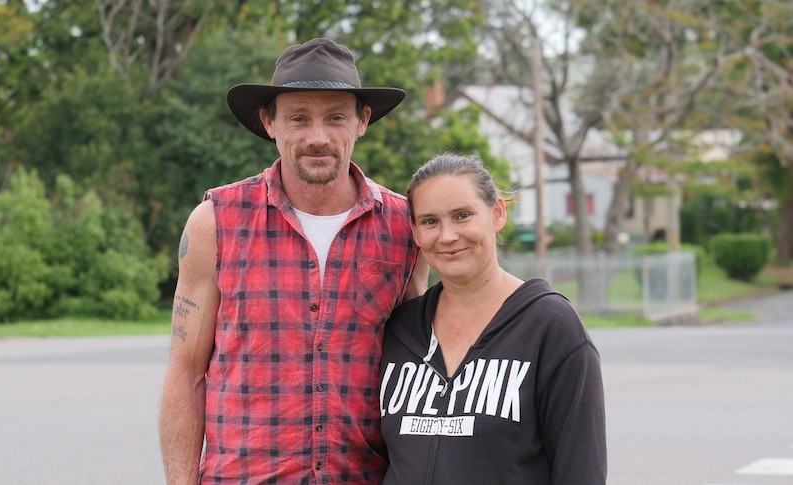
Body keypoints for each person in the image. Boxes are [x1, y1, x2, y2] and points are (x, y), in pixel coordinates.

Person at [158, 38, 428, 485]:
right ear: (269, 122)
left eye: (336, 117)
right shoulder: (215, 222)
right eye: (298, 118)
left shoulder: (405, 229)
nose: (317, 137)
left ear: (362, 121)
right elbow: (186, 375)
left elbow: (419, 370)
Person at [379, 153, 607, 484]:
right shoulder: (401, 330)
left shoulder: (550, 326)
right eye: (430, 221)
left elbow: (580, 471)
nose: (447, 236)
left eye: (462, 216)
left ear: (497, 212)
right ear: (414, 230)